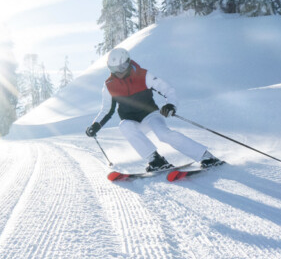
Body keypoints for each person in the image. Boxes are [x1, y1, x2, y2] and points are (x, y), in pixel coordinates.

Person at [85, 47, 221, 172]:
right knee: (124, 126)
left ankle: (205, 156)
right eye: (115, 69)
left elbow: (167, 90)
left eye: (123, 67)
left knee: (163, 134)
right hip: (132, 121)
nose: (119, 72)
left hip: (151, 115)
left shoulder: (144, 75)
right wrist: (96, 125)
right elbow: (106, 110)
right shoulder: (109, 85)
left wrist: (171, 105)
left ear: (128, 62)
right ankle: (155, 159)